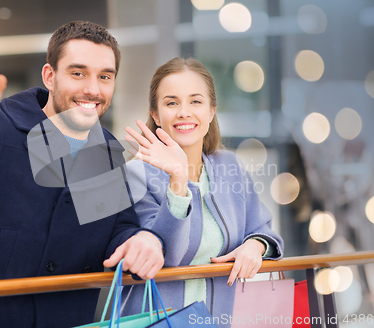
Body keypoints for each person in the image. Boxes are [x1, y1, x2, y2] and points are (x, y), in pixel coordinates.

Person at [0, 21, 164, 328]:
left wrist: (144, 238)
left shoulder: (105, 151)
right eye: (78, 73)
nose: (93, 89)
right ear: (50, 76)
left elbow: (117, 231)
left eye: (105, 76)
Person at [120, 57, 283, 325]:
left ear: (211, 111)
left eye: (195, 101)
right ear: (156, 115)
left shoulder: (228, 165)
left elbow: (264, 229)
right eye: (171, 102)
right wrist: (179, 178)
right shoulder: (136, 175)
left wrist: (254, 247)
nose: (184, 112)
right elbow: (169, 254)